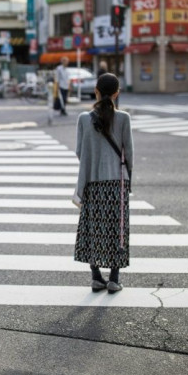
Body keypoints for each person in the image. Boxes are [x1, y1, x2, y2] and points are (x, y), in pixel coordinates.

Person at [74, 73, 133, 294]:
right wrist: (129, 179)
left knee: (93, 228)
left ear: (96, 91)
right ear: (117, 93)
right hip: (117, 183)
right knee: (117, 229)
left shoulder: (83, 119)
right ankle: (114, 279)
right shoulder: (124, 118)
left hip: (93, 182)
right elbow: (130, 154)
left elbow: (80, 152)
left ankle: (96, 277)